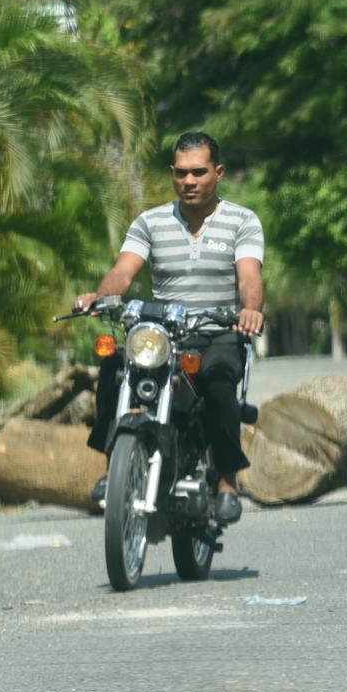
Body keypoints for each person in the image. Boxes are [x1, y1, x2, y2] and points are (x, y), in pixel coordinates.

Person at [77, 131, 265, 525]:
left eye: (198, 172)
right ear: (172, 174)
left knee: (217, 382)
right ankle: (114, 466)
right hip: (164, 332)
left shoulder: (242, 221)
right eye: (181, 173)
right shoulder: (151, 221)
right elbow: (123, 272)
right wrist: (102, 295)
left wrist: (249, 310)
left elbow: (249, 277)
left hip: (218, 331)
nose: (189, 182)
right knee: (115, 369)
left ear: (219, 172)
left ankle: (228, 478)